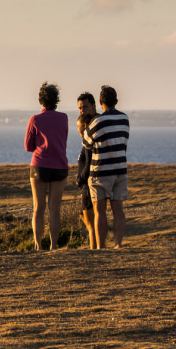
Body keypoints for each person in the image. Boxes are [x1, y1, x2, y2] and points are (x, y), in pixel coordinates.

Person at [24, 82, 68, 251]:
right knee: (54, 209)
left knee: (38, 208)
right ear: (56, 100)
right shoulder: (63, 118)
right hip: (60, 165)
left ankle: (38, 245)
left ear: (40, 100)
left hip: (39, 165)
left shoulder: (35, 119)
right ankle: (54, 245)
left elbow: (28, 146)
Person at [84, 85, 130, 249]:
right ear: (116, 101)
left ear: (100, 101)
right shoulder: (125, 119)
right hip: (120, 169)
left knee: (100, 211)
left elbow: (86, 142)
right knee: (118, 209)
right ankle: (118, 244)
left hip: (101, 170)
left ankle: (101, 246)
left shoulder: (98, 121)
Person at [75, 92, 99, 249]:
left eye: (84, 107)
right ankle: (97, 247)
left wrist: (80, 179)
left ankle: (95, 248)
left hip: (89, 183)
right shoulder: (86, 136)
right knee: (92, 220)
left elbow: (89, 160)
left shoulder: (94, 129)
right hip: (89, 183)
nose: (82, 110)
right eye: (79, 108)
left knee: (91, 224)